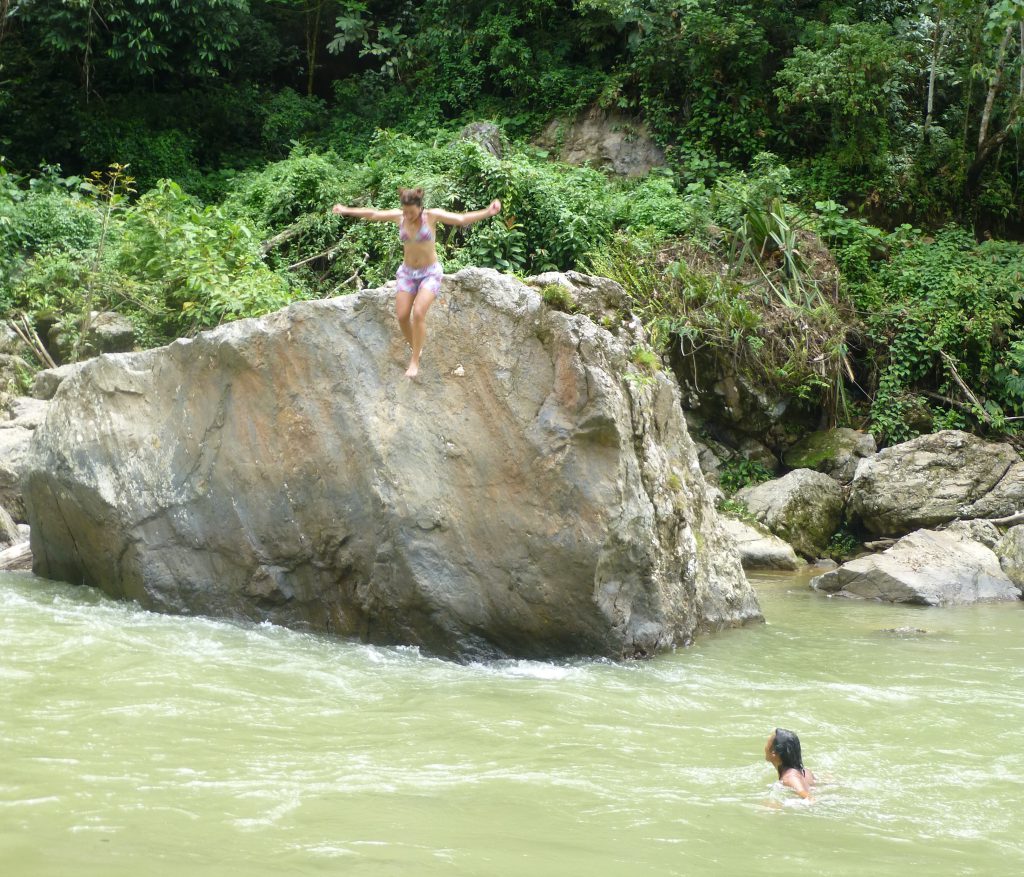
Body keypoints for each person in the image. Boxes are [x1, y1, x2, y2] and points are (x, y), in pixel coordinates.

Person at [332, 187, 502, 378]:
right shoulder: (400, 217)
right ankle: (416, 346)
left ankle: (415, 361)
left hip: (429, 272)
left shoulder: (431, 216)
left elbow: (461, 219)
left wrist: (488, 212)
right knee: (403, 316)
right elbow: (373, 213)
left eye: (411, 213)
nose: (408, 216)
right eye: (405, 212)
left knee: (419, 312)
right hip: (407, 273)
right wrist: (346, 209)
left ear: (420, 208)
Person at [765, 728, 816, 800]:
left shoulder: (789, 778)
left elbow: (809, 798)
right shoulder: (806, 772)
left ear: (774, 753)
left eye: (767, 744)